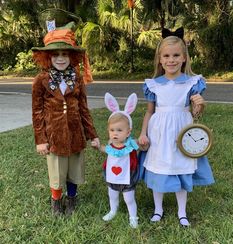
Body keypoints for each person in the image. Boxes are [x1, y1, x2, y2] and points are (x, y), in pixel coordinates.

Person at [138, 27, 215, 227]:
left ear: (184, 58)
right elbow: (149, 111)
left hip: (182, 131)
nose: (171, 60)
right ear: (160, 59)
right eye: (166, 56)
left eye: (175, 55)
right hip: (159, 132)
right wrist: (143, 133)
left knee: (181, 167)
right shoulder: (154, 84)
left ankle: (182, 212)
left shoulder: (192, 82)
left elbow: (196, 114)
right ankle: (158, 209)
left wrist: (199, 104)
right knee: (159, 167)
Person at [31, 21, 100, 216]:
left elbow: (84, 108)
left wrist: (92, 135)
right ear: (47, 57)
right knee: (56, 172)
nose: (61, 58)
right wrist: (41, 140)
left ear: (72, 56)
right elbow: (37, 113)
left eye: (65, 54)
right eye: (56, 54)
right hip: (54, 137)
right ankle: (56, 202)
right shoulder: (41, 80)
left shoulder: (76, 78)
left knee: (74, 171)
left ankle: (72, 199)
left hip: (75, 134)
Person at [92, 92, 147, 228]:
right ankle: (113, 210)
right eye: (112, 130)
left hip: (127, 177)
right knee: (112, 195)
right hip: (112, 177)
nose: (115, 133)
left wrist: (144, 144)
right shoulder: (110, 146)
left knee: (129, 199)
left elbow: (143, 148)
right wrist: (98, 147)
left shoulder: (131, 144)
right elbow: (105, 150)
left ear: (128, 132)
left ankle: (133, 217)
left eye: (119, 130)